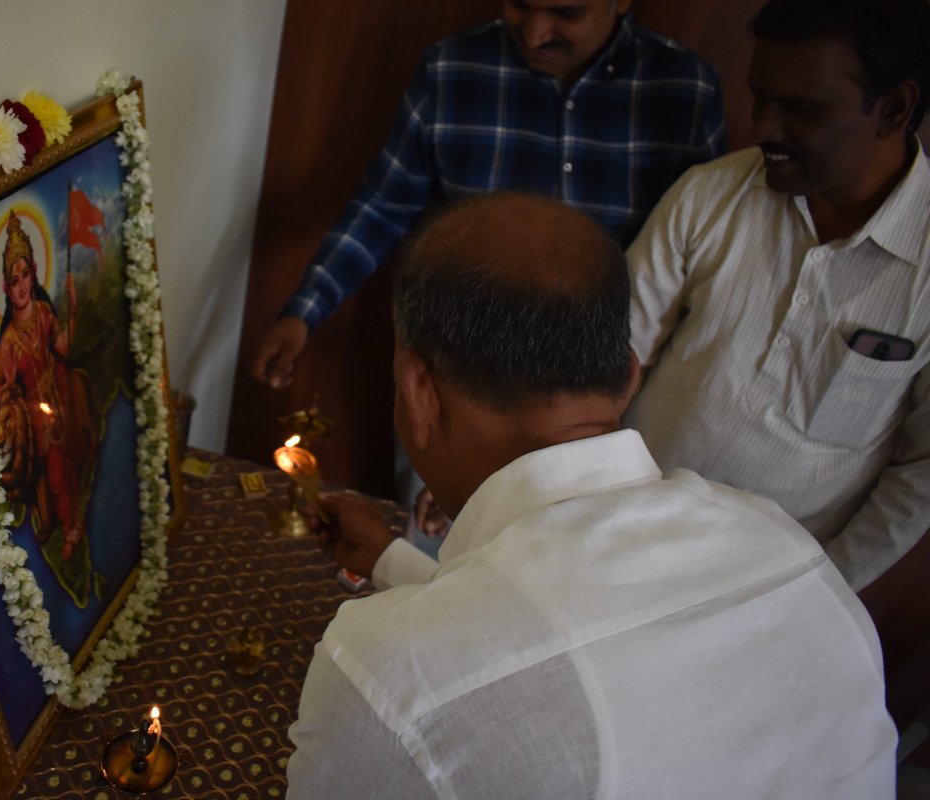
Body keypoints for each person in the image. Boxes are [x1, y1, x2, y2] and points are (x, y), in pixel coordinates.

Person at [285, 193, 895, 798]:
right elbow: (589, 641)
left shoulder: (385, 673)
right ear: (628, 376)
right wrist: (392, 561)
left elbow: (498, 673)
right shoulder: (788, 550)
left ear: (418, 393)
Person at [251, 0, 725, 389]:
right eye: (520, 5)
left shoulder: (686, 91)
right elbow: (384, 207)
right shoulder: (449, 69)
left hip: (599, 387)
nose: (536, 34)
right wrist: (304, 313)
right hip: (455, 373)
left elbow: (702, 259)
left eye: (565, 12)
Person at [624, 0, 930, 592]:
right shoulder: (708, 197)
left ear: (894, 109)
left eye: (801, 109)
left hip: (765, 589)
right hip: (624, 526)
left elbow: (921, 473)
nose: (762, 127)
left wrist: (817, 591)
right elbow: (614, 358)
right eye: (760, 96)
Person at [0, 211, 97, 561]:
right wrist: (12, 401)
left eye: (25, 275)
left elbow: (61, 349)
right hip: (37, 414)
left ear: (34, 273)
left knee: (74, 455)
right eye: (14, 280)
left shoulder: (44, 312)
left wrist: (74, 310)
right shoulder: (8, 342)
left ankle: (76, 518)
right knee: (53, 473)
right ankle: (70, 528)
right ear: (5, 288)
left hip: (61, 391)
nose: (21, 285)